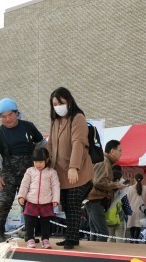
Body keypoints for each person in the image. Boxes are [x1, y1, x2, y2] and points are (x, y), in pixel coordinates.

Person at [0, 97, 45, 242]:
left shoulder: (28, 126)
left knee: (30, 202)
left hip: (29, 170)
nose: (8, 119)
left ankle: (29, 235)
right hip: (8, 171)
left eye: (10, 114)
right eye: (3, 116)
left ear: (17, 112)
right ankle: (0, 233)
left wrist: (43, 163)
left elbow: (42, 144)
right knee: (3, 201)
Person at [45, 87, 94, 250]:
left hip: (78, 172)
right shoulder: (55, 122)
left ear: (69, 101)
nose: (58, 106)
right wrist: (47, 167)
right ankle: (71, 237)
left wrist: (73, 167)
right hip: (60, 173)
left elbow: (78, 143)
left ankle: (72, 238)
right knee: (66, 204)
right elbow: (50, 144)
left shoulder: (77, 118)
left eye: (61, 102)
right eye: (54, 104)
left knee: (73, 202)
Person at [17, 147, 60, 249]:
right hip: (31, 200)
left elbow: (55, 186)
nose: (38, 165)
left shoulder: (52, 172)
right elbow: (24, 185)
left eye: (40, 162)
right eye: (35, 162)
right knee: (30, 221)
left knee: (45, 222)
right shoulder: (30, 171)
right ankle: (30, 239)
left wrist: (55, 199)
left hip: (46, 201)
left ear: (47, 160)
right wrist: (21, 196)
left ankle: (45, 239)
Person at [85, 139, 127, 242]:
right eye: (120, 150)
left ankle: (92, 256)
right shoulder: (104, 162)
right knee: (103, 233)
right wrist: (117, 184)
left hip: (94, 201)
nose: (121, 153)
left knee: (95, 233)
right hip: (95, 201)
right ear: (112, 151)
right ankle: (97, 257)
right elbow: (98, 182)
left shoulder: (104, 161)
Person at [106, 166, 128, 243]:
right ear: (118, 179)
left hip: (108, 219)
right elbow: (126, 204)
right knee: (120, 241)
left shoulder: (106, 190)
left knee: (109, 240)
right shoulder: (121, 191)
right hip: (120, 218)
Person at [126, 173, 146, 241]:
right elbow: (144, 197)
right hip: (141, 208)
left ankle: (132, 237)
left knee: (131, 223)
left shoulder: (130, 188)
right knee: (138, 224)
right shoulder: (145, 188)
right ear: (142, 179)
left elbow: (128, 198)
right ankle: (137, 238)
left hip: (131, 207)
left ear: (134, 179)